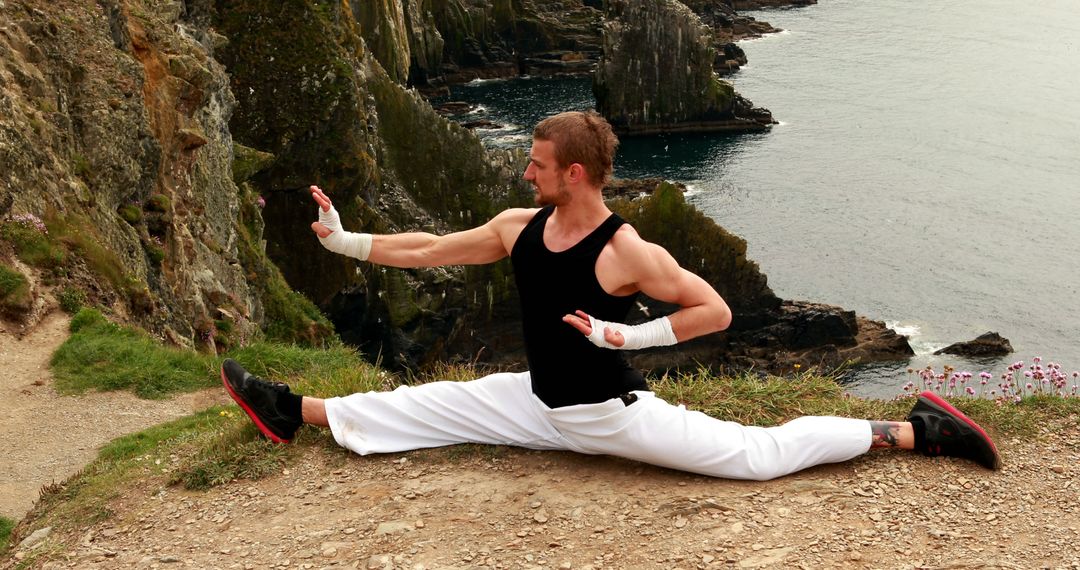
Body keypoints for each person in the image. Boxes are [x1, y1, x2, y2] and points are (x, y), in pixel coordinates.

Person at [221, 111, 1000, 480]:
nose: (526, 173)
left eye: (537, 163)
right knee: (425, 405)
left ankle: (911, 430)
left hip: (608, 415)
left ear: (577, 174)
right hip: (538, 402)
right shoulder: (517, 226)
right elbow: (428, 249)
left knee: (758, 459)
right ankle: (291, 410)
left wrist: (631, 340)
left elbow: (715, 313)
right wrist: (344, 240)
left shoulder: (628, 251)